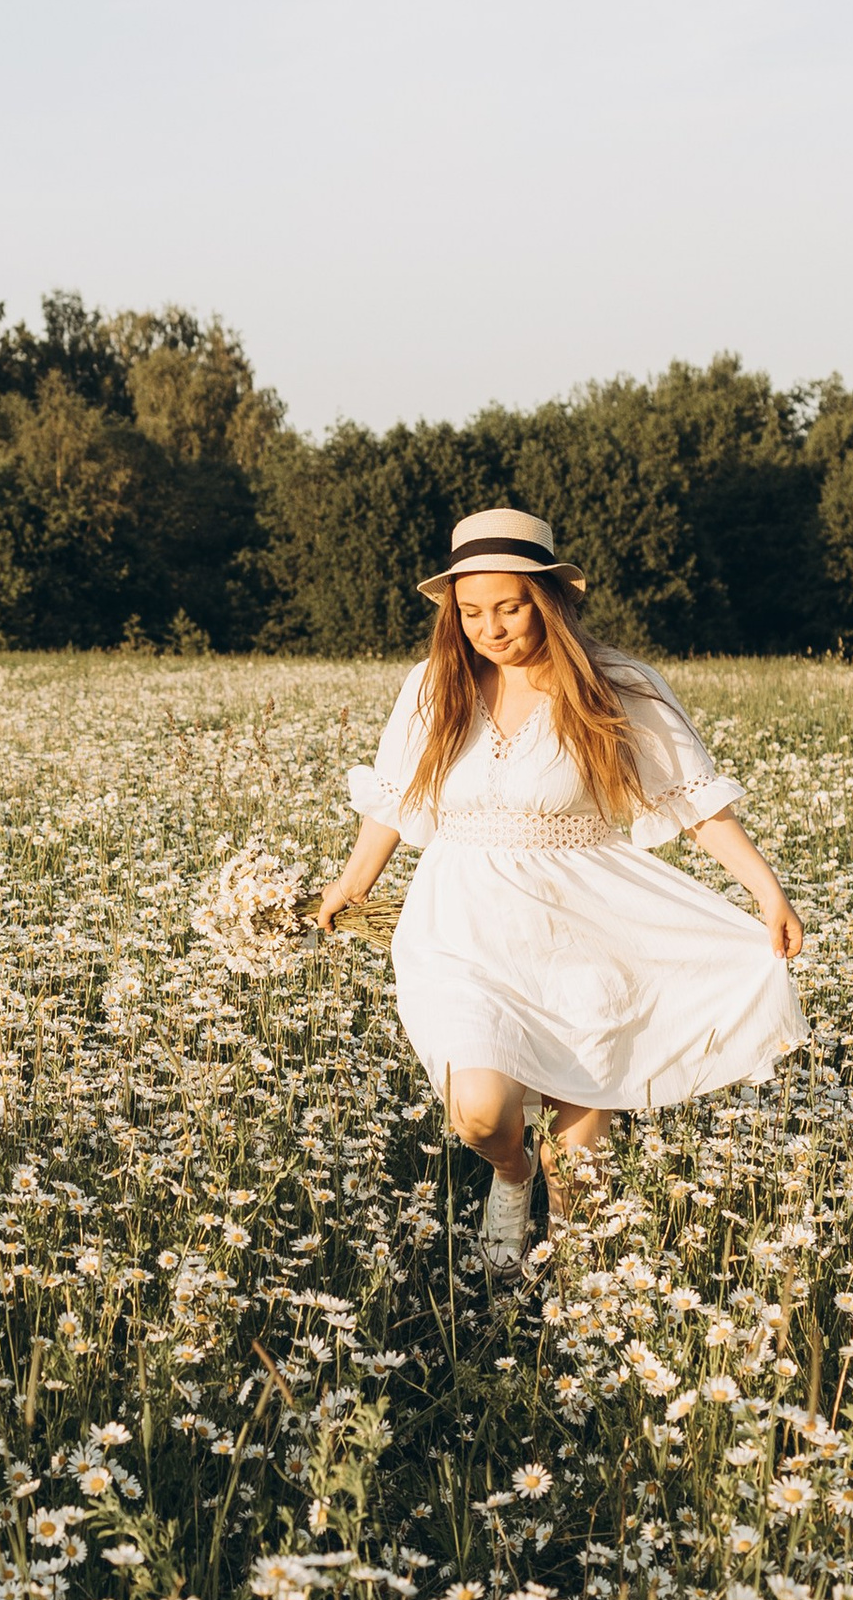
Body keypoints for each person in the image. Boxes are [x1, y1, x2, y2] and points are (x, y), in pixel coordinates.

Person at [314, 506, 807, 1269]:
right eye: (470, 611)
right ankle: (509, 1177)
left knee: (578, 1175)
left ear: (549, 599)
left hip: (585, 925)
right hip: (460, 926)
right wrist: (353, 882)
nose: (490, 627)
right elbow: (396, 797)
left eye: (508, 606)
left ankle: (576, 1315)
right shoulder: (433, 684)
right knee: (479, 1112)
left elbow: (695, 802)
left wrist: (766, 894)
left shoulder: (618, 685)